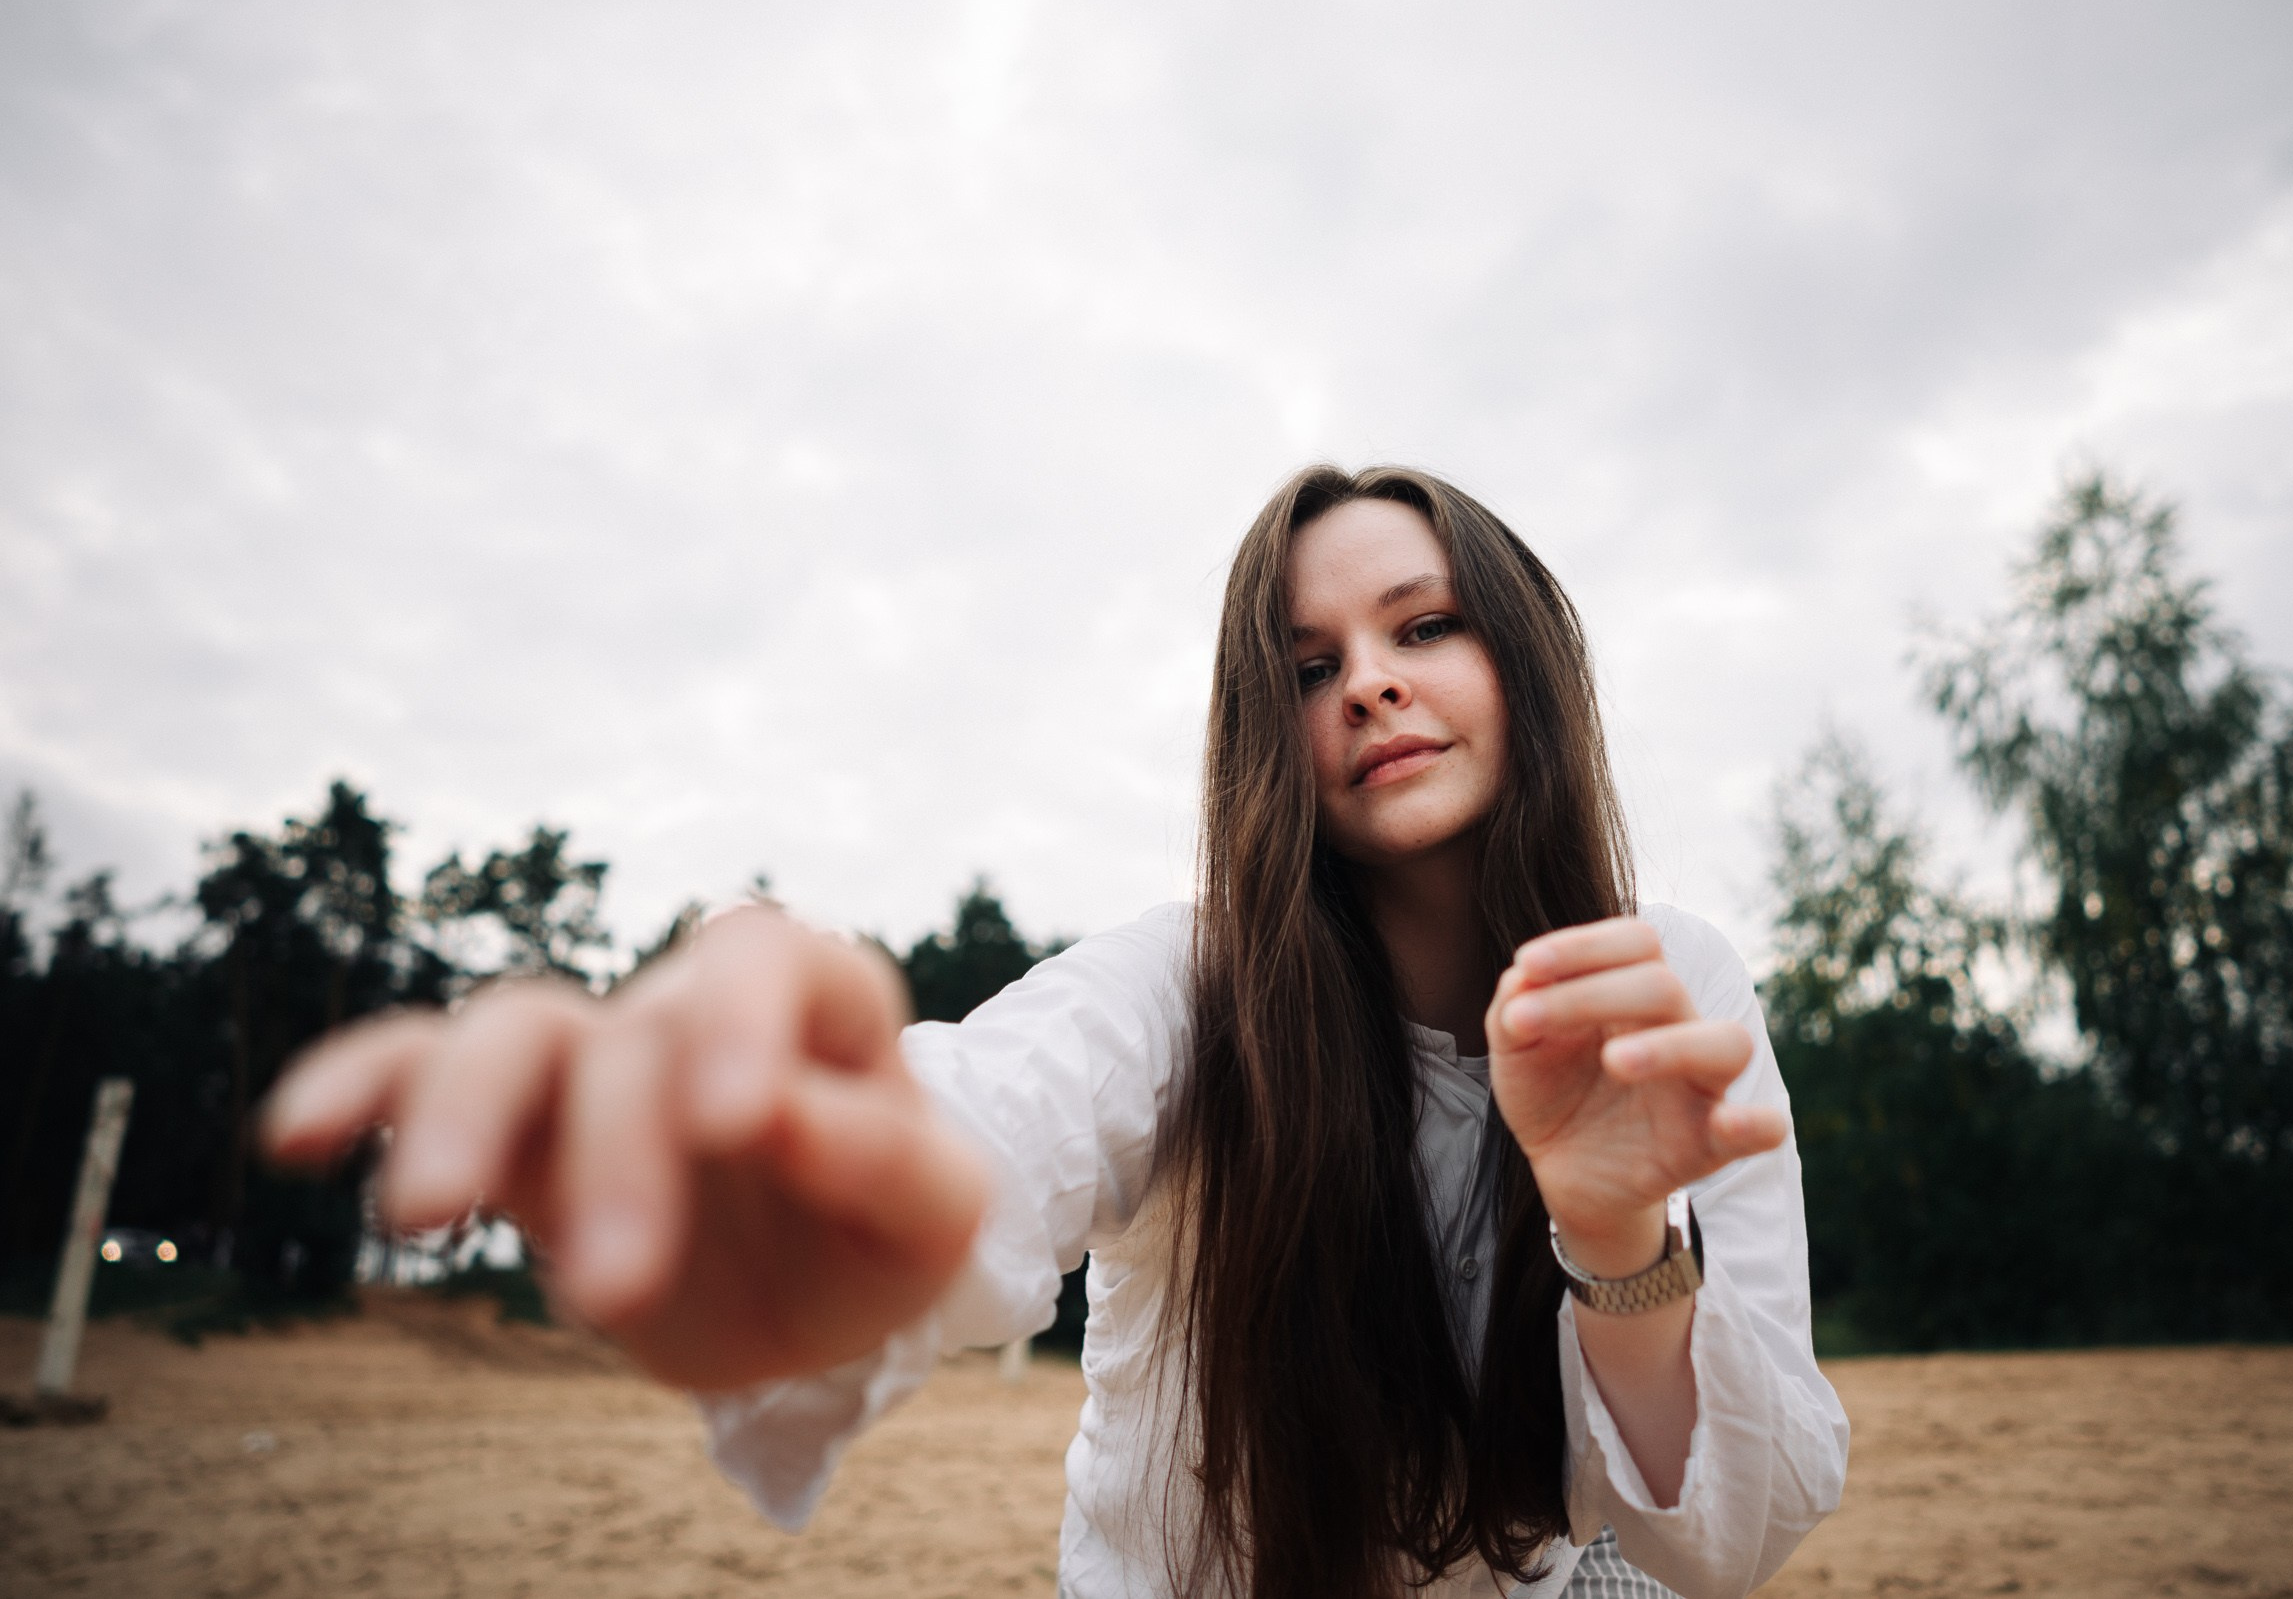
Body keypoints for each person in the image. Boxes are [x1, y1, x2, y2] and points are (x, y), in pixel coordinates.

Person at [263, 465, 1848, 1599]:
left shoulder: (1674, 988)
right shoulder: (1191, 988)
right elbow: (987, 1121)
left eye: (1421, 627)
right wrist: (777, 1167)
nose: (1368, 685)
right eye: (1309, 666)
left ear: (1527, 659)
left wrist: (1616, 1226)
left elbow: (1737, 1536)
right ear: (1266, 738)